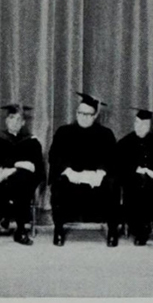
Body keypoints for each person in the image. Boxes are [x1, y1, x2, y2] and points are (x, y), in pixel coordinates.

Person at [48, 92, 120, 247]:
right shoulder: (64, 132)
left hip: (96, 181)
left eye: (88, 114)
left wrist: (99, 173)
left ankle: (113, 231)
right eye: (80, 113)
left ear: (95, 116)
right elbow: (54, 156)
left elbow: (111, 159)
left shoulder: (105, 134)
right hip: (71, 179)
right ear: (76, 113)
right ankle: (59, 229)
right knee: (59, 182)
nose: (83, 117)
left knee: (113, 183)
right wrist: (69, 172)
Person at [0, 104, 45, 246]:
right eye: (11, 118)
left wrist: (10, 170)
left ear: (24, 122)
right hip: (1, 186)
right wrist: (19, 165)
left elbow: (37, 168)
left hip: (21, 182)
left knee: (22, 179)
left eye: (19, 119)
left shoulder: (32, 142)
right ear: (6, 121)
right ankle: (9, 217)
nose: (15, 122)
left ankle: (19, 228)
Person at [116, 108, 153, 246]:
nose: (139, 127)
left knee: (148, 186)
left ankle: (143, 227)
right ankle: (141, 229)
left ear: (151, 126)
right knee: (138, 185)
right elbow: (119, 167)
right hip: (133, 186)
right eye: (137, 123)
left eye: (144, 124)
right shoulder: (125, 142)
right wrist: (136, 170)